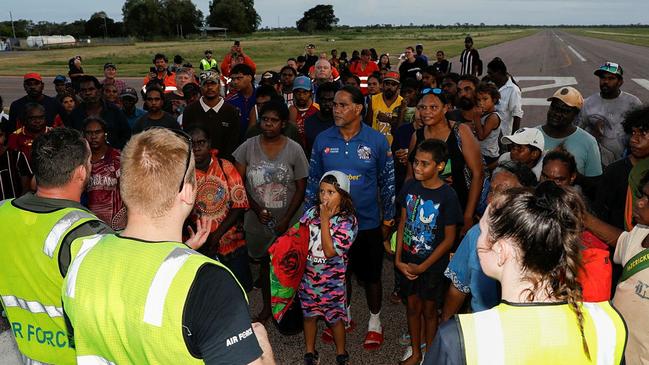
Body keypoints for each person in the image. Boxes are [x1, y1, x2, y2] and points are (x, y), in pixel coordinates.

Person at [61, 127, 275, 364]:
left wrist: (183, 251)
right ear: (188, 192)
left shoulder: (82, 256)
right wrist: (264, 349)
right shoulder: (211, 283)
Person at [426, 181, 627, 365]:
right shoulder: (609, 323)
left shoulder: (461, 337)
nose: (478, 238)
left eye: (483, 231)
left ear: (501, 251)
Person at [0, 128, 111, 364]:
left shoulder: (3, 212)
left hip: (25, 351)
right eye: (89, 161)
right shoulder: (87, 234)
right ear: (81, 172)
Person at [306, 85, 395, 350]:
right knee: (339, 275)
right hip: (332, 225)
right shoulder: (323, 140)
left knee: (372, 277)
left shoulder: (377, 141)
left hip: (367, 223)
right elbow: (313, 183)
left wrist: (388, 220)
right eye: (334, 104)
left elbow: (387, 182)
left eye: (343, 105)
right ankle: (344, 317)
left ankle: (375, 322)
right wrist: (309, 219)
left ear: (358, 109)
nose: (336, 109)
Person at [233, 100, 309, 321]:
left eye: (273, 121)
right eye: (265, 119)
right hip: (258, 220)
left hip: (288, 218)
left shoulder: (294, 149)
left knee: (291, 265)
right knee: (266, 266)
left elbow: (301, 188)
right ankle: (268, 308)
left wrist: (286, 219)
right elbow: (238, 184)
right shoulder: (248, 146)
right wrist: (255, 208)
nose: (268, 124)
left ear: (283, 124)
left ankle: (294, 309)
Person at [442, 161, 537, 322]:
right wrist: (445, 328)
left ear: (527, 197)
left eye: (504, 191)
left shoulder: (540, 237)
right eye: (491, 191)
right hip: (483, 328)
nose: (492, 200)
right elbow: (457, 289)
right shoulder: (476, 235)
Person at [396, 139, 462, 365]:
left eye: (425, 164)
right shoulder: (410, 187)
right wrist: (398, 259)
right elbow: (403, 222)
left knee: (430, 310)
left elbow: (450, 238)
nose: (417, 168)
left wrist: (423, 266)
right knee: (412, 307)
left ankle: (430, 355)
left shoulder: (448, 196)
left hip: (432, 266)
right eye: (415, 162)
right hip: (407, 261)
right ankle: (415, 352)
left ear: (440, 166)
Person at [585, 171, 649, 364]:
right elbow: (620, 241)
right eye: (643, 195)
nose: (639, 203)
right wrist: (583, 217)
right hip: (617, 348)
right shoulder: (640, 232)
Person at [540, 148, 613, 302]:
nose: (552, 185)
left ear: (572, 177)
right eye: (546, 177)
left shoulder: (583, 215)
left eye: (559, 179)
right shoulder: (532, 203)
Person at [408, 89, 484, 235]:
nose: (426, 112)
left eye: (433, 107)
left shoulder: (461, 131)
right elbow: (410, 177)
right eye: (422, 107)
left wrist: (468, 215)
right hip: (424, 210)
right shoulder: (416, 136)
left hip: (455, 210)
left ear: (445, 108)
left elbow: (478, 174)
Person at [301, 171, 357, 365]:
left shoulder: (347, 222)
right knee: (309, 316)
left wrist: (324, 220)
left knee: (334, 319)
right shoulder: (311, 213)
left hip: (332, 282)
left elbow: (330, 251)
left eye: (331, 192)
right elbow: (298, 238)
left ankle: (341, 352)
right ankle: (310, 351)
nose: (324, 197)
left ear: (343, 195)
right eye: (322, 191)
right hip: (308, 279)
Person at [187, 125, 252, 291]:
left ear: (209, 143)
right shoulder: (184, 174)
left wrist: (216, 235)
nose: (197, 147)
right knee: (209, 291)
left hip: (231, 242)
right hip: (200, 244)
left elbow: (239, 204)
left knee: (239, 289)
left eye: (201, 142)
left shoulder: (226, 166)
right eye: (192, 143)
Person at [594, 105, 649, 230]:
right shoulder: (614, 172)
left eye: (643, 134)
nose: (634, 140)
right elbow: (600, 214)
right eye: (633, 132)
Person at [538, 87, 602, 197]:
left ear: (576, 115)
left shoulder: (588, 142)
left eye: (565, 111)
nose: (557, 113)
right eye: (554, 107)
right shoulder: (532, 134)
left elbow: (595, 184)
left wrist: (573, 175)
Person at [578, 61, 642, 166]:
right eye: (603, 78)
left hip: (626, 162)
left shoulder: (633, 103)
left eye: (611, 78)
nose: (605, 82)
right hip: (595, 162)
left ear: (620, 82)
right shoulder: (588, 103)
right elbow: (577, 131)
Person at [182, 71, 241, 161]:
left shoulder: (231, 111)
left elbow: (234, 143)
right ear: (200, 87)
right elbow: (187, 140)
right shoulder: (190, 110)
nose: (209, 87)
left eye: (213, 83)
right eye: (205, 84)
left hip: (225, 165)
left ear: (219, 86)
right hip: (197, 165)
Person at [83, 116, 126, 230]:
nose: (93, 137)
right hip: (90, 223)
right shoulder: (81, 160)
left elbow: (128, 191)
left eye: (98, 132)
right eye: (89, 133)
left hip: (116, 225)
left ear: (105, 134)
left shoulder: (118, 158)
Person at [69, 75, 131, 149]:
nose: (87, 93)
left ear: (99, 90)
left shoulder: (114, 111)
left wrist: (114, 152)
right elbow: (71, 140)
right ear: (80, 93)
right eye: (83, 90)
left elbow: (126, 135)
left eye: (91, 89)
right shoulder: (75, 114)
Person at [487, 57, 523, 136]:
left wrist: (513, 138)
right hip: (488, 136)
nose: (488, 76)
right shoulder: (489, 86)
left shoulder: (513, 90)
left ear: (499, 72)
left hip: (502, 138)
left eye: (490, 73)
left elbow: (517, 115)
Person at [366, 71, 404, 146]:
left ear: (398, 86)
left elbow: (400, 129)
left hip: (394, 146)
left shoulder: (402, 102)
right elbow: (368, 125)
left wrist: (388, 120)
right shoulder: (374, 99)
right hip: (375, 145)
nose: (389, 87)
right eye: (387, 83)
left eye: (393, 84)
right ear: (382, 85)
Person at [305, 82, 338, 158]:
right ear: (318, 100)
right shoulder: (309, 122)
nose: (327, 103)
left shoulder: (342, 123)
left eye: (330, 100)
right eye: (324, 100)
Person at [0, 117, 31, 199]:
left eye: (0, 135)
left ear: (5, 136)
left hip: (13, 207)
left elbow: (26, 187)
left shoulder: (16, 156)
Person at [474, 82, 502, 169]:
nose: (481, 103)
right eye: (478, 100)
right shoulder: (484, 114)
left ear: (494, 100)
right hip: (482, 152)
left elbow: (481, 136)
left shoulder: (493, 117)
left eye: (485, 99)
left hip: (488, 155)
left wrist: (476, 118)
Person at [226, 64, 257, 140]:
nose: (235, 82)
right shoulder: (230, 101)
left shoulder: (261, 97)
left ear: (250, 77)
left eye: (239, 78)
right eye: (233, 79)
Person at [289, 76, 320, 147]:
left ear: (310, 93)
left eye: (305, 92)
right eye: (298, 92)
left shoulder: (318, 109)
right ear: (293, 93)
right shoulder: (289, 110)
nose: (301, 96)